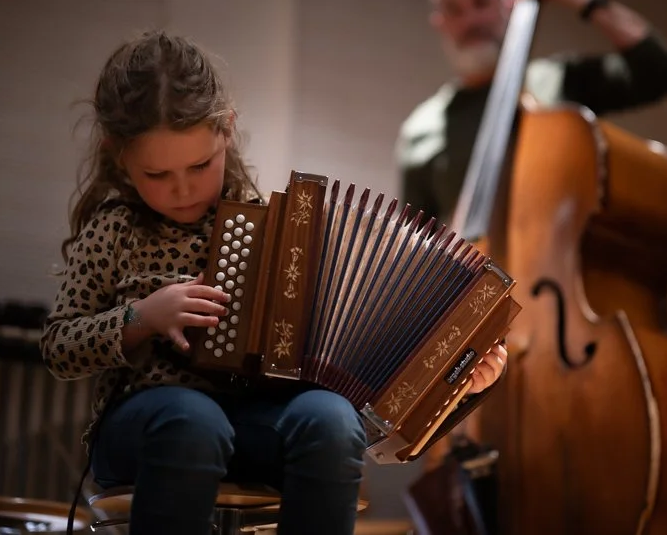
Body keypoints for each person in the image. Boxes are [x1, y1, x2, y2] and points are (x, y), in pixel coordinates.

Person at [39, 30, 507, 535]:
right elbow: (59, 348)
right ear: (118, 154)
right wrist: (141, 317)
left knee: (330, 419)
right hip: (145, 427)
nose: (182, 189)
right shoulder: (114, 227)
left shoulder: (272, 231)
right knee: (194, 421)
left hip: (249, 423)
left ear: (227, 130)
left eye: (200, 165)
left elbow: (343, 378)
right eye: (157, 174)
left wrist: (457, 382)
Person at [397, 0, 667, 223]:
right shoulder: (421, 129)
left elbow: (660, 72)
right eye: (454, 9)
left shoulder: (558, 79)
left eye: (481, 2)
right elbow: (417, 244)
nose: (471, 20)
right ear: (439, 23)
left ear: (508, 5)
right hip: (476, 280)